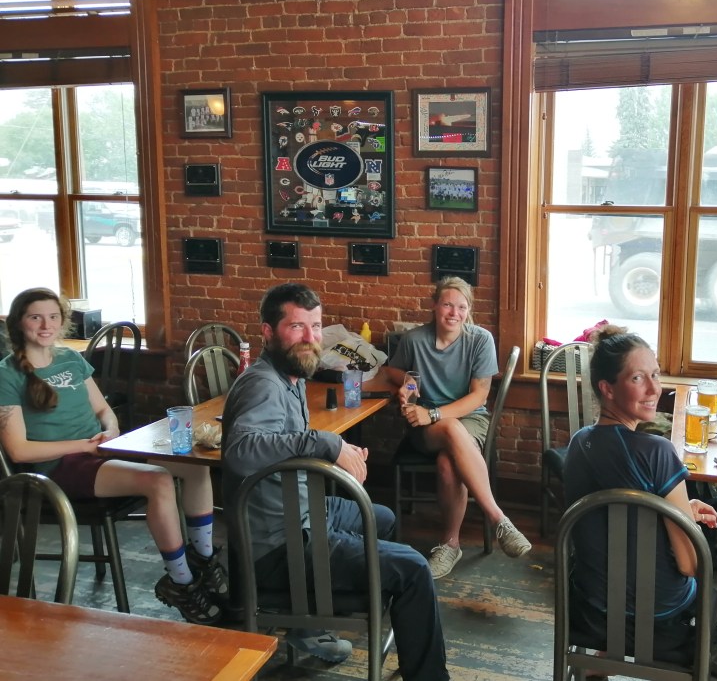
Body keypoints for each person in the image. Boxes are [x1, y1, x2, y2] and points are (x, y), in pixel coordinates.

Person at [221, 283, 449, 679]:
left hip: (299, 511)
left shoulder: (289, 377)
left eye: (315, 326)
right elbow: (241, 451)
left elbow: (286, 445)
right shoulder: (263, 385)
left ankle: (314, 618)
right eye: (296, 326)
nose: (310, 337)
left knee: (381, 518)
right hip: (278, 546)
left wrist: (339, 450)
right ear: (268, 332)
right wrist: (327, 444)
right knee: (413, 568)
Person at [0, 287, 226, 624]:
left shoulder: (71, 358)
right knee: (159, 481)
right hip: (56, 468)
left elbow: (105, 410)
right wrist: (85, 446)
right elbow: (19, 449)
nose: (46, 325)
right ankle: (182, 582)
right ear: (19, 323)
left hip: (99, 451)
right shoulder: (7, 374)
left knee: (195, 465)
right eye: (36, 317)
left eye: (53, 317)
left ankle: (203, 561)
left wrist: (111, 429)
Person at [562, 324, 717, 681]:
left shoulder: (578, 443)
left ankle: (599, 660)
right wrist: (684, 521)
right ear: (607, 388)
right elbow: (688, 564)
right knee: (707, 589)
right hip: (656, 624)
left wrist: (677, 509)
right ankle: (710, 643)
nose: (655, 389)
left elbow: (612, 516)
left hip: (589, 612)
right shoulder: (658, 451)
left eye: (655, 374)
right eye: (638, 378)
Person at [384, 276, 531, 579]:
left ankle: (450, 544)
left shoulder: (480, 340)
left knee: (447, 464)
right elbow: (393, 370)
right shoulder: (414, 340)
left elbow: (479, 395)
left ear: (469, 310)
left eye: (461, 307)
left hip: (469, 419)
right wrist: (409, 384)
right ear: (434, 305)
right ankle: (499, 519)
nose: (454, 313)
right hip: (425, 425)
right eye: (447, 305)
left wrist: (434, 413)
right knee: (450, 429)